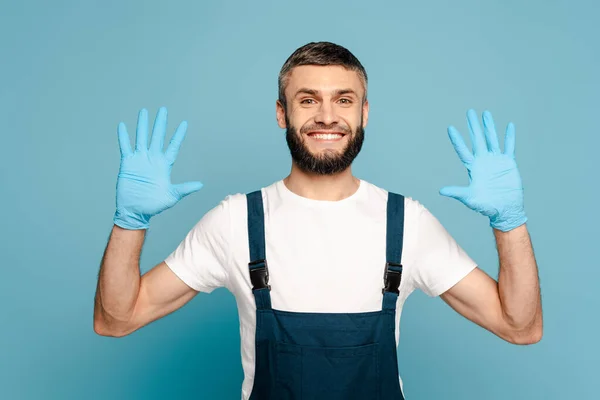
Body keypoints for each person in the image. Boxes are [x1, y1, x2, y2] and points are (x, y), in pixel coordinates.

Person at [93, 42, 543, 399]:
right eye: (308, 100)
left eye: (343, 100)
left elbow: (520, 326)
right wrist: (130, 224)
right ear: (281, 113)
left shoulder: (407, 222)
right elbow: (117, 318)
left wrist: (510, 224)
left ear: (363, 113)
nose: (327, 116)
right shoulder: (235, 221)